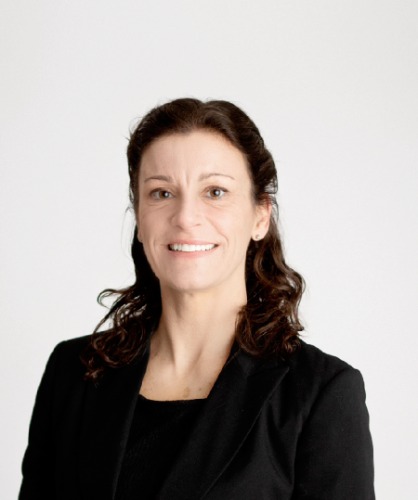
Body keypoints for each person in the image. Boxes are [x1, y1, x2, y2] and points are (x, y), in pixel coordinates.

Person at [19, 98, 375, 499]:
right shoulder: (74, 374)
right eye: (161, 193)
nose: (186, 216)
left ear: (261, 216)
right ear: (138, 217)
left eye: (216, 191)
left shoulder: (319, 394)